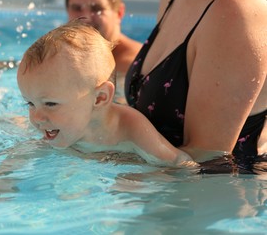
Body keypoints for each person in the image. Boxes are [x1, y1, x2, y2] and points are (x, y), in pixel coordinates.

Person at [124, 0, 267, 161]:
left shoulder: (238, 11)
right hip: (154, 182)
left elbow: (205, 161)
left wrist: (108, 156)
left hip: (218, 187)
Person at [17, 19, 195, 167]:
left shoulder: (129, 127)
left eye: (50, 104)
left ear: (100, 98)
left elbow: (178, 162)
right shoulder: (61, 128)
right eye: (30, 103)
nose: (36, 118)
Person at [64, 0, 143, 103]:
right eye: (77, 8)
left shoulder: (135, 64)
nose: (86, 18)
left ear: (119, 12)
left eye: (97, 9)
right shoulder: (58, 54)